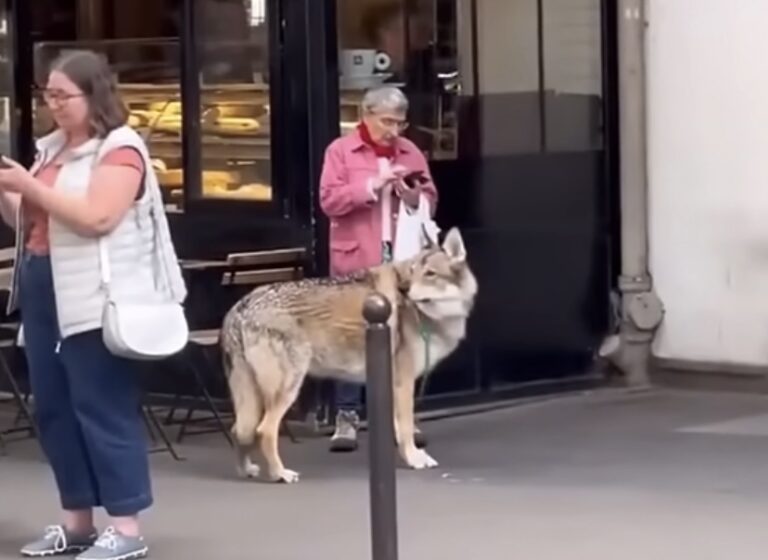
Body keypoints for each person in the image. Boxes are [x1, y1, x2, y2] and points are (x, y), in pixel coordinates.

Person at [0, 50, 186, 560]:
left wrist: (31, 184)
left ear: (94, 94)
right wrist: (8, 190)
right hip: (42, 279)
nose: (53, 104)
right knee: (55, 407)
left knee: (100, 405)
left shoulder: (121, 149)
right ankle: (76, 520)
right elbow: (33, 222)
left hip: (96, 292)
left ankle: (125, 526)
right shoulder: (51, 150)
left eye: (63, 95)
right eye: (47, 94)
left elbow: (97, 218)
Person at [319, 86, 437, 452]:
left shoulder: (411, 152)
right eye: (387, 121)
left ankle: (403, 415)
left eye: (400, 123)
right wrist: (371, 186)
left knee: (404, 337)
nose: (394, 130)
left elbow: (431, 197)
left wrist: (415, 196)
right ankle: (347, 416)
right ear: (365, 115)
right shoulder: (340, 151)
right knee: (351, 334)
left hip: (402, 261)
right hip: (358, 256)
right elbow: (329, 200)